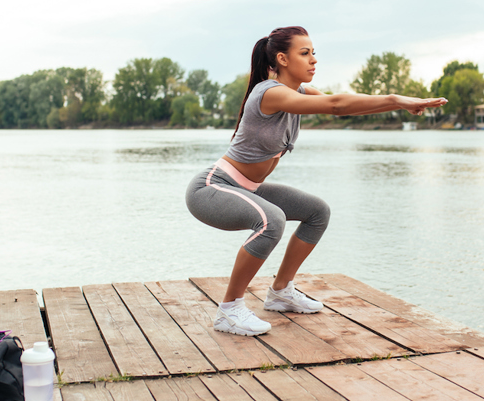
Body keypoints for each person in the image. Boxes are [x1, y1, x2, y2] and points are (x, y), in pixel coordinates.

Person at [185, 26, 447, 336]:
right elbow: (336, 104)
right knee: (272, 220)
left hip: (245, 188)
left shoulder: (298, 93)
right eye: (305, 53)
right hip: (213, 189)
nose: (314, 60)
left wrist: (399, 104)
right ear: (282, 59)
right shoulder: (269, 92)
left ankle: (281, 292)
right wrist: (395, 98)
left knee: (316, 212)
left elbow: (341, 107)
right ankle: (229, 311)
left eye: (314, 53)